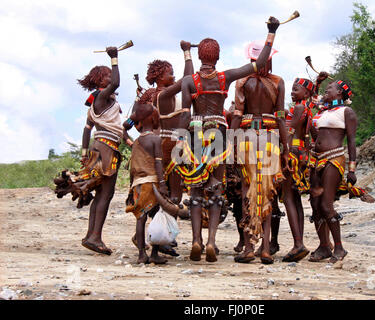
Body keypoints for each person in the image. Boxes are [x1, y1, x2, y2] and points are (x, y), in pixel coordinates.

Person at [177, 17, 282, 263]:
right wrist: (271, 33)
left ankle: (197, 240)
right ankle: (212, 241)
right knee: (215, 187)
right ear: (218, 56)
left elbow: (184, 114)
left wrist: (181, 142)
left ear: (200, 55)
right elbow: (259, 64)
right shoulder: (225, 77)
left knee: (195, 190)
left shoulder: (189, 82)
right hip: (219, 132)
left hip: (194, 131)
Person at [54, 47, 131, 255]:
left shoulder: (98, 103)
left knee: (100, 194)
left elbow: (87, 129)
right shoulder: (103, 97)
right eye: (106, 76)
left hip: (100, 147)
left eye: (109, 74)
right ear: (99, 81)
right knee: (106, 193)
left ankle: (91, 235)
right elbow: (116, 82)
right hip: (106, 148)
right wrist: (115, 58)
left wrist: (84, 153)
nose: (110, 79)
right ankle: (95, 237)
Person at [230, 40, 288, 264]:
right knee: (267, 192)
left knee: (247, 191)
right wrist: (286, 148)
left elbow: (237, 114)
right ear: (269, 59)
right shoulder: (278, 82)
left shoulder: (242, 82)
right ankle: (265, 249)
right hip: (271, 139)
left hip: (245, 139)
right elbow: (281, 116)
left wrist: (230, 145)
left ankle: (248, 248)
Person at [308, 80, 374, 263]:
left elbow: (351, 141)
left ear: (339, 93)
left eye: (329, 88)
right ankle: (323, 246)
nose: (326, 91)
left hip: (334, 158)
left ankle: (339, 247)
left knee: (326, 205)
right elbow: (309, 101)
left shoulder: (347, 112)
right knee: (315, 204)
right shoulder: (323, 112)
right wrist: (318, 82)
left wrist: (351, 169)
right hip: (316, 160)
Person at [125, 102, 188, 264]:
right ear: (151, 119)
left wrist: (131, 187)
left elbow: (132, 167)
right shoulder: (154, 139)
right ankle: (153, 253)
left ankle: (141, 254)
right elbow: (158, 164)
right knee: (157, 217)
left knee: (141, 218)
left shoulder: (137, 141)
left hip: (138, 185)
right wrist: (162, 184)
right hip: (152, 185)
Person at [281, 73, 328, 262]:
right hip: (302, 153)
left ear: (305, 93)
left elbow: (290, 131)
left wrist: (283, 151)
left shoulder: (300, 107)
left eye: (295, 89)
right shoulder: (307, 108)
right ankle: (298, 242)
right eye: (292, 89)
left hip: (292, 152)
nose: (292, 92)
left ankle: (298, 244)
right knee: (294, 198)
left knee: (288, 198)